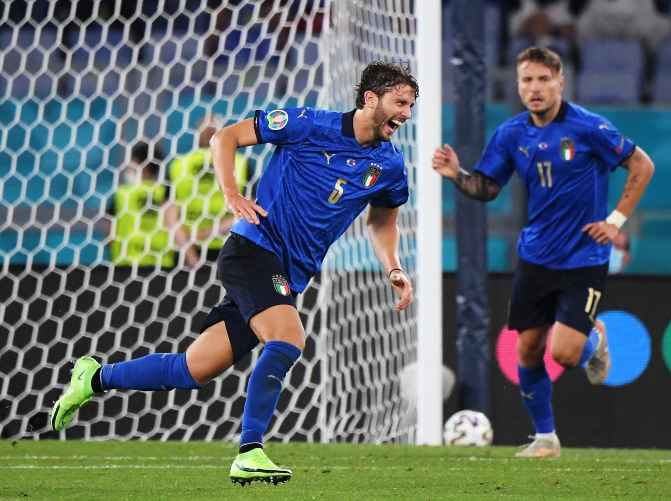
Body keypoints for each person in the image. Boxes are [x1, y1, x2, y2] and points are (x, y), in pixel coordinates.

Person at [51, 61, 417, 484]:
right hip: (253, 249)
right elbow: (227, 137)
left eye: (411, 104)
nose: (407, 113)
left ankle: (94, 377)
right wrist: (230, 192)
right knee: (288, 337)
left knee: (192, 369)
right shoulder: (306, 123)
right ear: (371, 99)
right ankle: (250, 450)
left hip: (289, 271)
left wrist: (393, 268)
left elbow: (382, 221)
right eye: (400, 102)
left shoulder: (390, 165)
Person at [432, 47, 654, 458]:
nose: (534, 88)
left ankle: (594, 341)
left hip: (584, 257)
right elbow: (487, 188)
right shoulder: (512, 134)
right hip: (535, 257)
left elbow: (643, 165)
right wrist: (456, 175)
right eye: (526, 81)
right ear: (518, 85)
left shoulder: (590, 128)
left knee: (564, 354)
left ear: (559, 82)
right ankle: (546, 439)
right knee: (528, 351)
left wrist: (616, 221)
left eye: (542, 79)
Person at [164, 114, 250, 268]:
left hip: (210, 247)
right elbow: (170, 215)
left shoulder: (178, 164)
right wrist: (192, 254)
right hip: (204, 247)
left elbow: (250, 210)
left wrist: (194, 249)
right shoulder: (239, 162)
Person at [108, 141, 174, 268]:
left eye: (132, 161)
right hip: (161, 264)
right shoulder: (166, 193)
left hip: (125, 263)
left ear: (142, 165)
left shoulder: (122, 194)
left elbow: (111, 230)